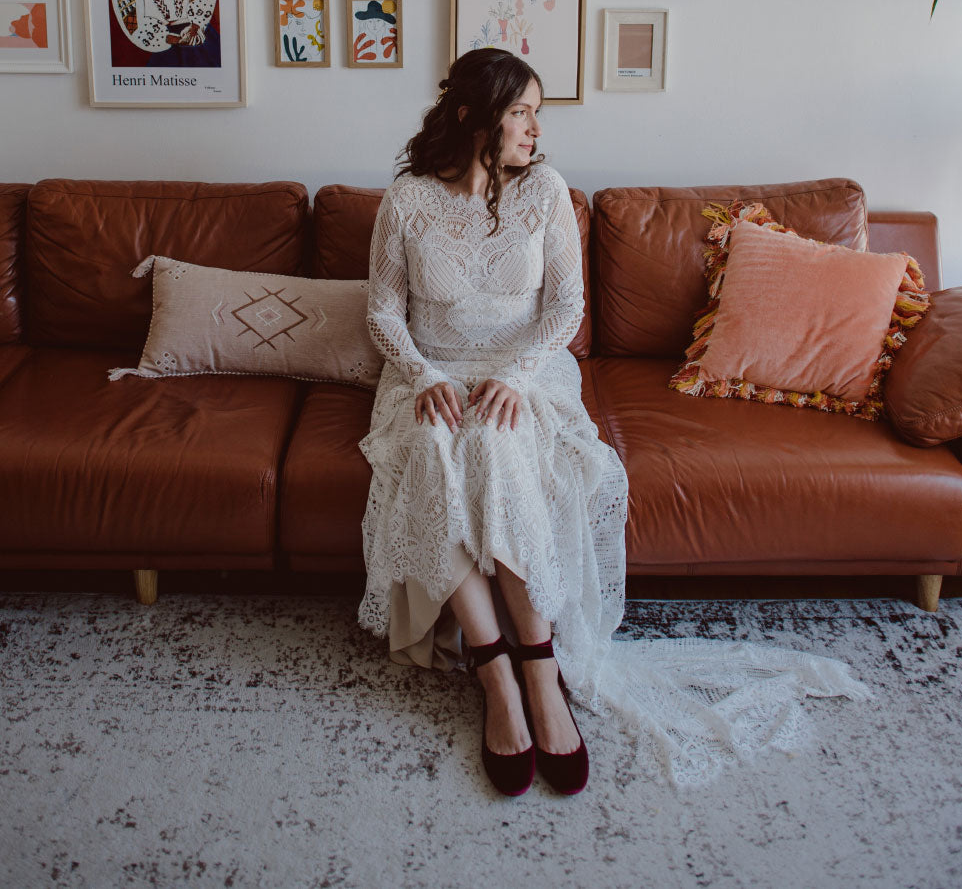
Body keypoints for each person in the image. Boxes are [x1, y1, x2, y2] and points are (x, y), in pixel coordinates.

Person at [359, 49, 870, 795]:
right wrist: (425, 376)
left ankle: (538, 666)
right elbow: (381, 309)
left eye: (537, 112)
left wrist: (515, 375)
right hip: (429, 375)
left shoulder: (545, 193)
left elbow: (567, 307)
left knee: (495, 444)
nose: (536, 128)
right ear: (473, 115)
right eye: (522, 111)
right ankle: (496, 672)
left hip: (524, 371)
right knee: (436, 446)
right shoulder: (405, 198)